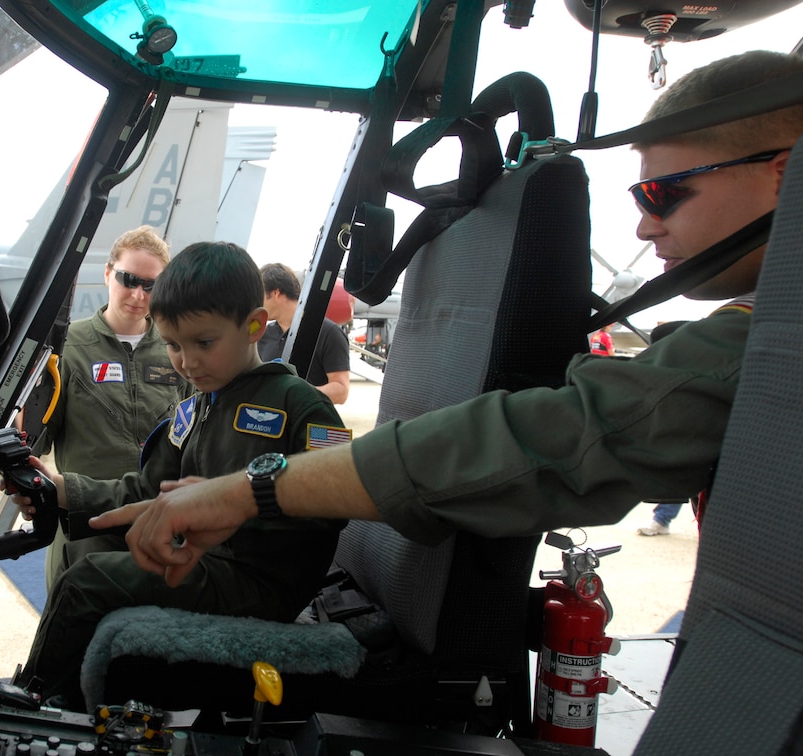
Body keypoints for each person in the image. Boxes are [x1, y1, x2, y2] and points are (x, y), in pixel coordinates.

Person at [86, 51, 803, 587]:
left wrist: (250, 489)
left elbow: (555, 436)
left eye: (662, 193)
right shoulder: (759, 330)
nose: (645, 227)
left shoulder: (769, 345)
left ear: (786, 171)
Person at [14, 241, 351, 705]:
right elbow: (145, 489)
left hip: (261, 581)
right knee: (81, 555)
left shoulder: (302, 407)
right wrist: (62, 489)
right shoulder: (195, 409)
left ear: (254, 326)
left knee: (85, 582)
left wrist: (243, 509)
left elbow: (339, 499)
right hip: (207, 564)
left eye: (203, 343)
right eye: (172, 345)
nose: (186, 362)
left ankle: (34, 703)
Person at [34, 225, 186, 590]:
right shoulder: (67, 347)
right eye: (128, 279)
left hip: (159, 525)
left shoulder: (178, 348)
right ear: (107, 274)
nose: (138, 294)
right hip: (86, 525)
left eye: (150, 285)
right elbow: (36, 438)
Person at [257, 262, 351, 404]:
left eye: (259, 295)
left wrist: (295, 394)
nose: (256, 302)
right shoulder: (263, 335)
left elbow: (341, 391)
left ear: (276, 293)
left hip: (309, 422)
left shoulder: (328, 333)